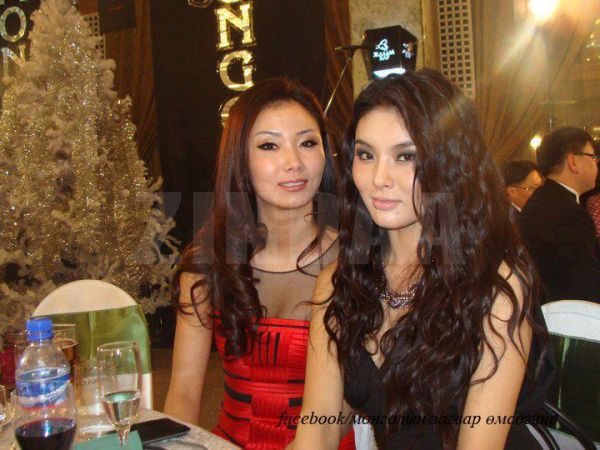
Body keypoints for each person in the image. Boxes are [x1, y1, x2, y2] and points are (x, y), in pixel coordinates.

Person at [291, 70, 553, 449]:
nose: (379, 178)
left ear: (451, 163)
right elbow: (320, 427)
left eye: (406, 156)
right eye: (366, 155)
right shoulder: (340, 282)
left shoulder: (494, 286)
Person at [164, 78, 354, 448]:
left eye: (307, 143)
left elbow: (337, 416)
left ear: (325, 152)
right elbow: (184, 393)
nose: (294, 162)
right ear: (241, 160)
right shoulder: (208, 264)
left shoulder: (354, 264)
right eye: (269, 145)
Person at [520, 126, 600, 302]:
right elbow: (586, 284)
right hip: (564, 312)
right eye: (593, 157)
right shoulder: (567, 213)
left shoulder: (545, 198)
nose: (596, 164)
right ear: (573, 162)